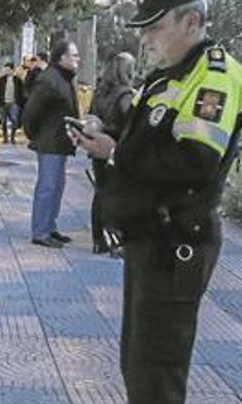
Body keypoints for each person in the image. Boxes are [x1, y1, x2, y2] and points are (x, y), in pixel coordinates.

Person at [69, 1, 242, 404]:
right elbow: (148, 142)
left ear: (191, 21)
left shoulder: (216, 77)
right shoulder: (171, 75)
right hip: (149, 238)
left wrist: (116, 151)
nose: (146, 37)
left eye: (155, 26)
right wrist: (106, 136)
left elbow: (193, 163)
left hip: (176, 244)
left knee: (158, 373)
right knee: (137, 362)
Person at [21, 41, 80, 248]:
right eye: (74, 55)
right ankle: (40, 231)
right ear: (62, 58)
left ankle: (49, 226)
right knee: (48, 186)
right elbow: (31, 111)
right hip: (50, 141)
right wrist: (33, 134)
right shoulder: (49, 80)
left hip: (60, 141)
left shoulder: (63, 78)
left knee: (57, 186)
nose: (78, 59)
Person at [88, 52, 136, 254]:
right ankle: (115, 238)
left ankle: (98, 240)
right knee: (117, 195)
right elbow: (130, 123)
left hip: (97, 147)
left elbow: (92, 116)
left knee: (100, 193)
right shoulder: (126, 95)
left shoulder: (99, 92)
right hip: (117, 148)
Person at [0, 63, 23, 144]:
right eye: (5, 69)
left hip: (14, 103)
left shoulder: (18, 80)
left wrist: (19, 102)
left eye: (8, 69)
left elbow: (21, 91)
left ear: (12, 70)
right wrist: (0, 100)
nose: (6, 71)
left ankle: (12, 138)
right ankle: (5, 138)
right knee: (3, 121)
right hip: (3, 103)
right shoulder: (0, 80)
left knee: (14, 120)